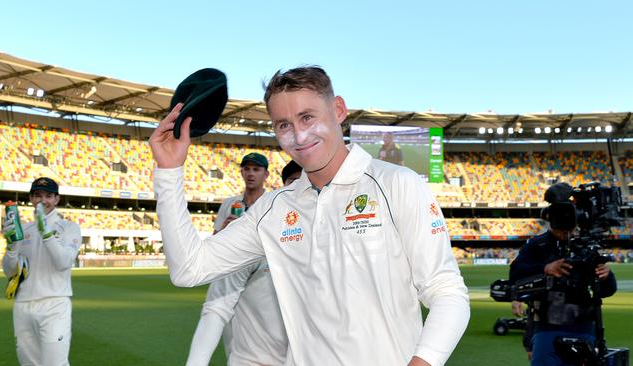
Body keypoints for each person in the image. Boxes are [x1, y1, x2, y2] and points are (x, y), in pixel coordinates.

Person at [151, 66, 469, 366]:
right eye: (284, 125)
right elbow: (188, 269)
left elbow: (447, 292)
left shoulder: (397, 184)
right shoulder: (273, 210)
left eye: (307, 117)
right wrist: (169, 171)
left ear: (339, 110)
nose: (299, 137)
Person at [186, 153, 289, 366]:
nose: (251, 173)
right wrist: (225, 230)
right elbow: (215, 243)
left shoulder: (273, 203)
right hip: (231, 278)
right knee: (229, 337)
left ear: (266, 174)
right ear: (241, 172)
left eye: (256, 169)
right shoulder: (229, 203)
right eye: (247, 169)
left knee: (266, 339)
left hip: (263, 279)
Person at [509, 183, 617, 366]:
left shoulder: (587, 246)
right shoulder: (537, 245)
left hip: (583, 327)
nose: (565, 232)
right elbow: (516, 274)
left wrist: (606, 276)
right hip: (547, 327)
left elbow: (607, 290)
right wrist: (545, 268)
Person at [2, 177, 82, 366]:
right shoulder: (23, 229)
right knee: (29, 364)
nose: (42, 200)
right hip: (23, 305)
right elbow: (9, 271)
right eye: (37, 195)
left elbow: (63, 262)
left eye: (48, 196)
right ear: (31, 198)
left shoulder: (69, 228)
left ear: (56, 199)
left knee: (55, 363)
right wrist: (12, 246)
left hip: (54, 304)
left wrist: (46, 233)